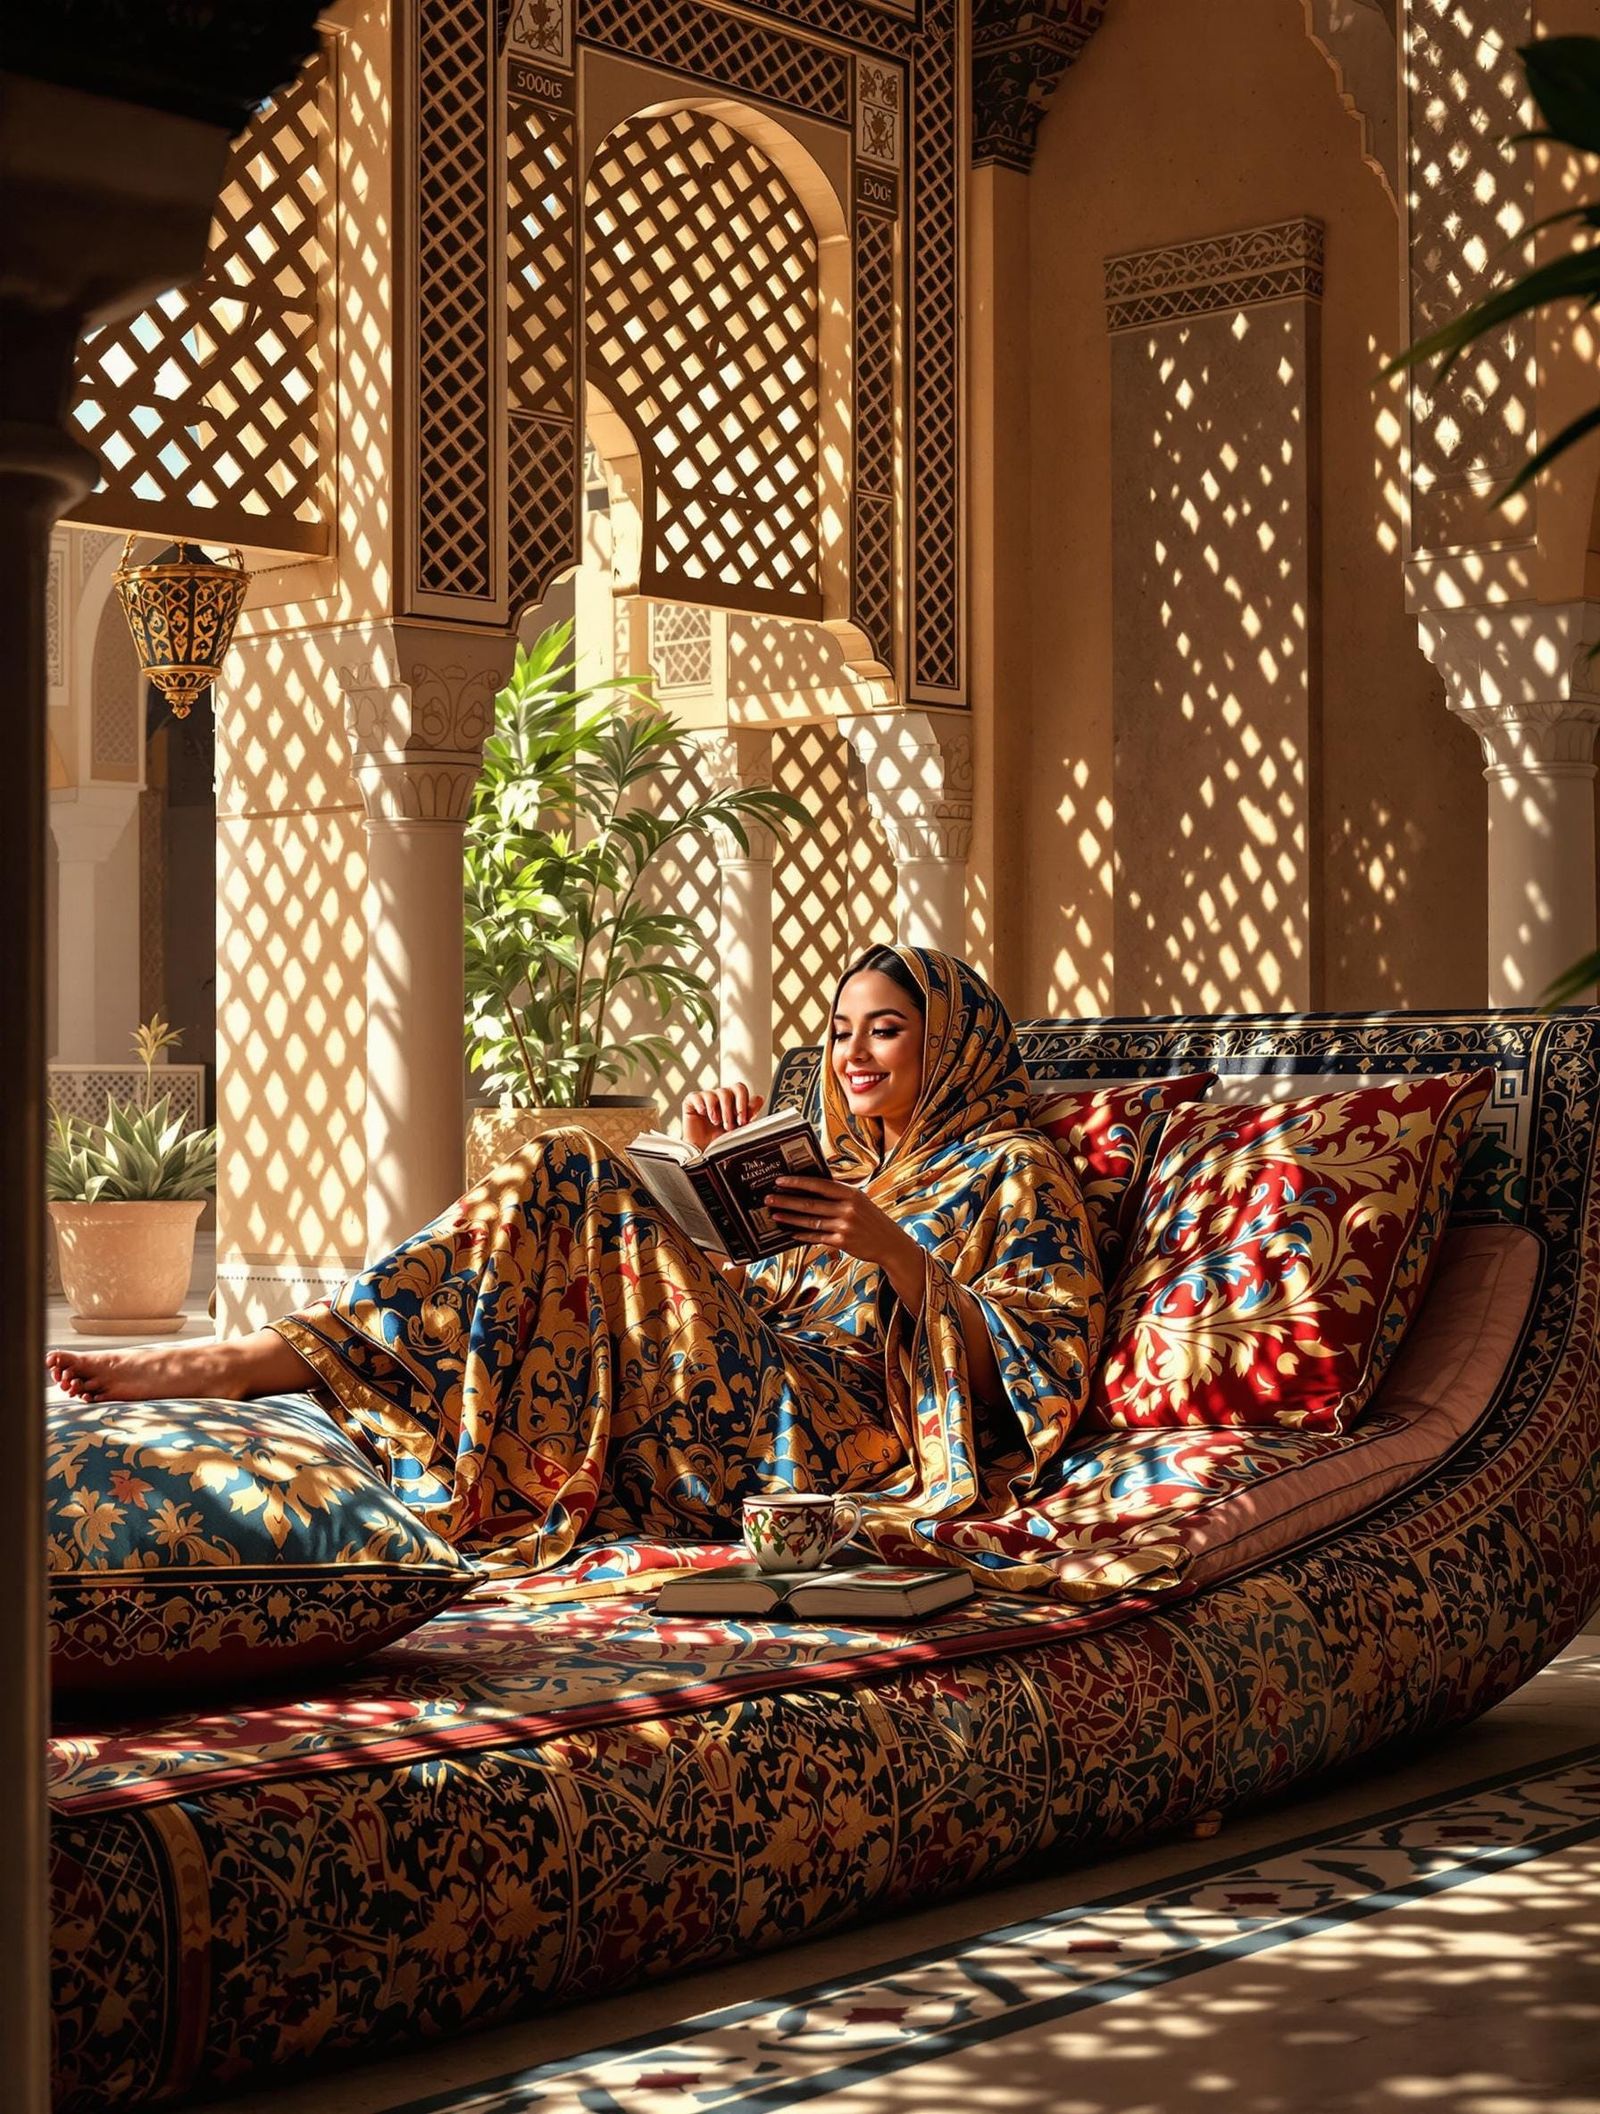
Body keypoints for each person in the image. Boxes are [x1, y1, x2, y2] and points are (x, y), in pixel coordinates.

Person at [46, 945, 1103, 1577]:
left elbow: (1031, 1372)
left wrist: (889, 1248)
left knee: (564, 1163)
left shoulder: (1012, 1168)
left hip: (831, 1436)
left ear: (950, 1042)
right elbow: (738, 1292)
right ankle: (294, 1365)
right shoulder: (832, 1158)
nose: (852, 1055)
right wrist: (704, 1180)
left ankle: (260, 1360)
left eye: (884, 1030)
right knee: (578, 1191)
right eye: (838, 1032)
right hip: (736, 1378)